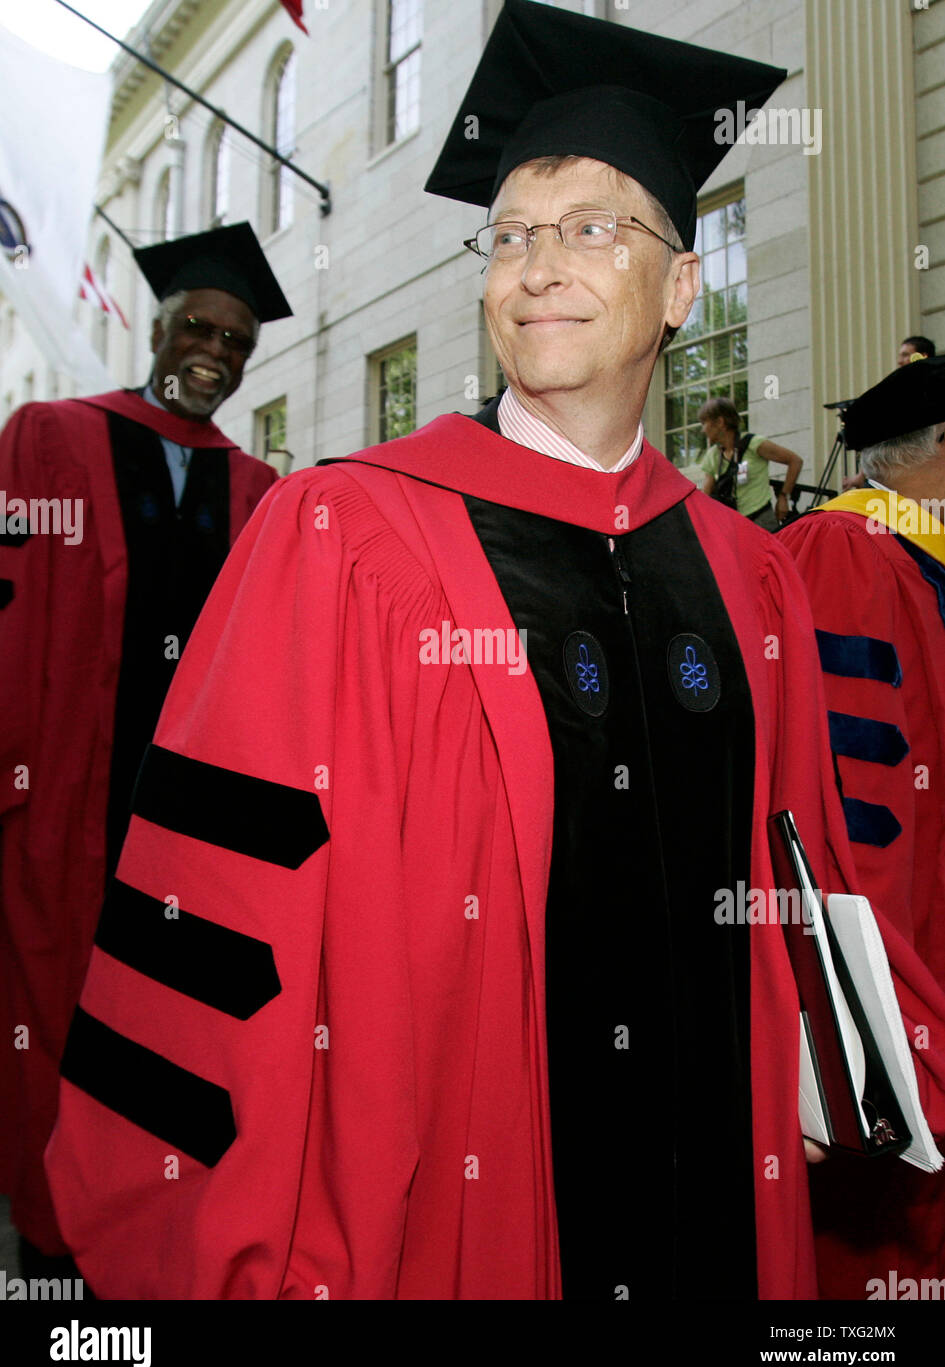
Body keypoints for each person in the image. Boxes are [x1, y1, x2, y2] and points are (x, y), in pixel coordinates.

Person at [44, 0, 945, 1301]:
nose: (537, 266)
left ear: (680, 283)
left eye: (591, 229)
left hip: (720, 1189)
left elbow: (804, 867)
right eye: (510, 234)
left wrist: (833, 1046)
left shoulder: (751, 577)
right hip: (455, 1205)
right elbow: (228, 910)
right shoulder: (345, 535)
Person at [0, 222, 289, 1276]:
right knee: (52, 1024)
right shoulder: (50, 438)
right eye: (199, 327)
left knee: (173, 1041)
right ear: (158, 327)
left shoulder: (258, 492)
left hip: (189, 828)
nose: (213, 351)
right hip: (64, 810)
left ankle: (153, 1246)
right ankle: (53, 1252)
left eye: (237, 342)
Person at [780, 356, 945, 1299]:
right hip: (891, 988)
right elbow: (846, 815)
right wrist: (890, 1022)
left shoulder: (920, 563)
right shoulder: (845, 552)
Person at [842, 335, 936, 491]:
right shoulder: (899, 391)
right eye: (900, 355)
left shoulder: (931, 389)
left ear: (922, 356)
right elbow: (880, 435)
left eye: (905, 355)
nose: (900, 361)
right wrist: (861, 475)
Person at [699, 396, 802, 529]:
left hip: (760, 520)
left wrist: (783, 497)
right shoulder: (713, 455)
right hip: (732, 526)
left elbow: (795, 461)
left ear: (719, 422)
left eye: (704, 423)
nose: (703, 430)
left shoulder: (754, 443)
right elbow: (706, 495)